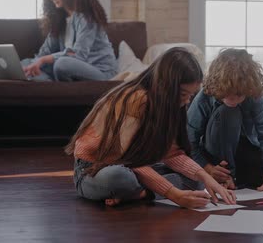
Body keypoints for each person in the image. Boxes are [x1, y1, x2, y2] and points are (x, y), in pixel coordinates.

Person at [65, 48, 236, 208]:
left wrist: (207, 178)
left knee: (196, 181)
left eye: (190, 96)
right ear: (166, 85)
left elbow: (172, 155)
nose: (186, 101)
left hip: (135, 165)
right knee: (121, 179)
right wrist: (176, 196)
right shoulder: (135, 99)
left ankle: (138, 193)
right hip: (94, 169)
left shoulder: (170, 104)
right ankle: (136, 191)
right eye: (184, 94)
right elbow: (128, 160)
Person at [187, 48, 263, 193]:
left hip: (245, 147)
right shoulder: (203, 98)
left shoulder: (252, 94)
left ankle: (240, 176)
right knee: (228, 112)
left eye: (240, 95)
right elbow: (189, 141)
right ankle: (228, 175)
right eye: (230, 94)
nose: (236, 99)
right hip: (215, 154)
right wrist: (208, 169)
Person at [22, 0, 118, 81]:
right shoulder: (60, 20)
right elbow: (44, 52)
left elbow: (78, 55)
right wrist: (32, 65)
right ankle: (48, 84)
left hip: (100, 72)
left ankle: (47, 82)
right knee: (25, 64)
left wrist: (43, 60)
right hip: (72, 69)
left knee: (62, 64)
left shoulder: (86, 17)